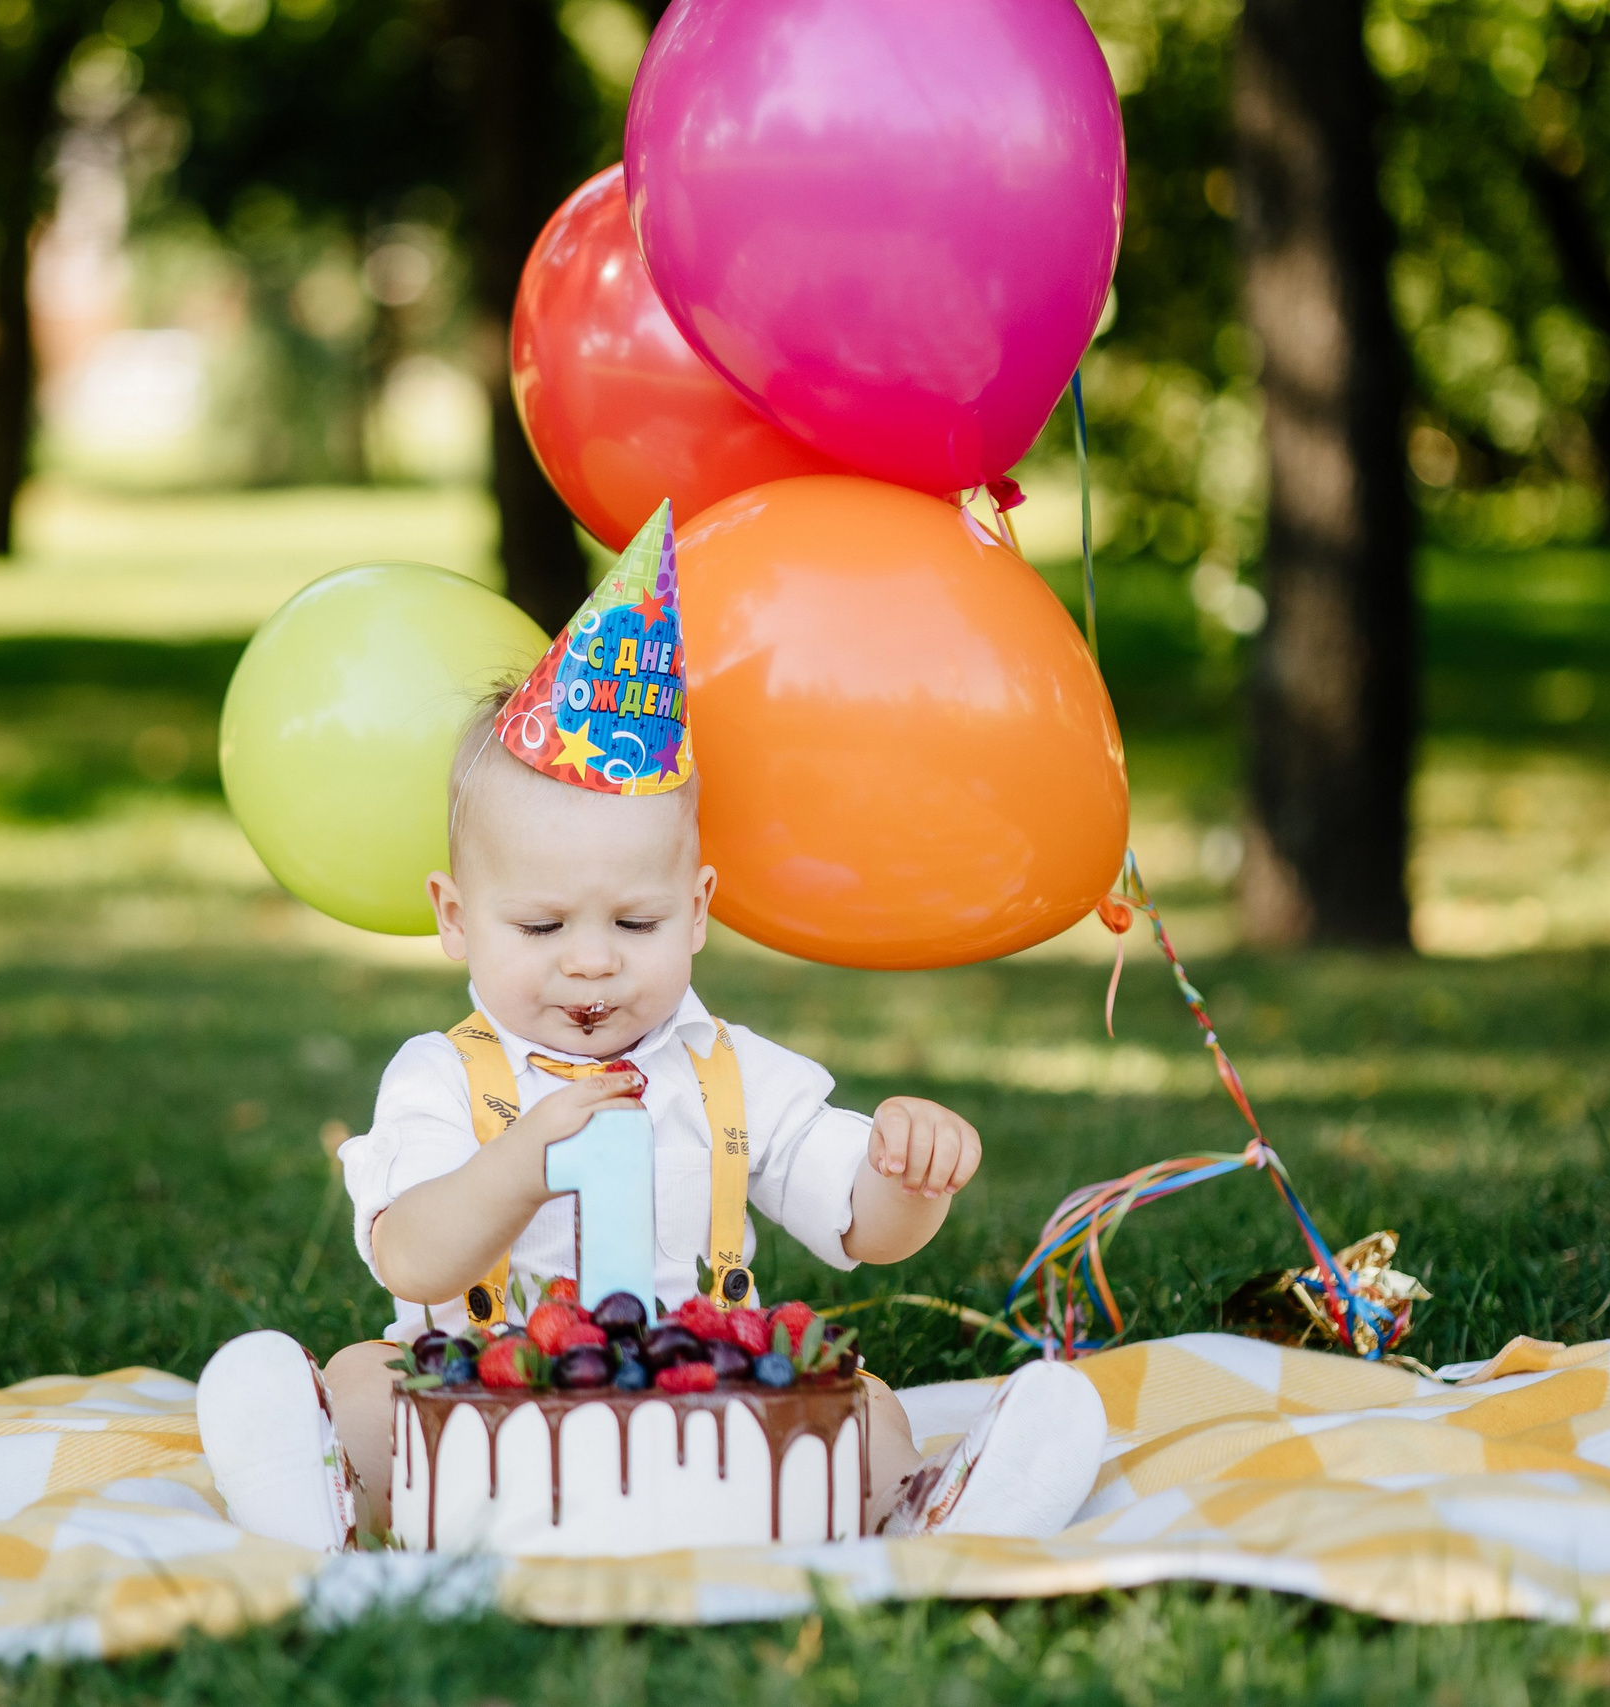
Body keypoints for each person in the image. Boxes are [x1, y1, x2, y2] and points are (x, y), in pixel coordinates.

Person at [197, 505, 1106, 1550]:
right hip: (485, 1411)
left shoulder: (727, 1071)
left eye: (637, 921)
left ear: (700, 911)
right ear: (454, 918)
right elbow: (410, 1257)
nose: (591, 959)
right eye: (539, 924)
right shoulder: (442, 1077)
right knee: (365, 1381)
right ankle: (318, 1495)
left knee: (867, 1406)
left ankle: (932, 1508)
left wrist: (907, 1177)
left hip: (703, 1407)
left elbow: (858, 1225)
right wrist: (521, 1163)